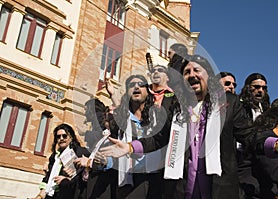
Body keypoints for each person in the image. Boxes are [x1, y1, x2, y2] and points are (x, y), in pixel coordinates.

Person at [100, 54, 254, 199]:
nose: (192, 75)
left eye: (197, 70)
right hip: (181, 189)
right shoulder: (175, 106)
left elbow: (251, 135)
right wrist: (130, 147)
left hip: (219, 189)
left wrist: (274, 144)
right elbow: (158, 138)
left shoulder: (229, 103)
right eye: (187, 72)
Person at [29, 123, 90, 199]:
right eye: (58, 137)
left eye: (64, 136)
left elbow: (87, 175)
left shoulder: (80, 152)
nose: (61, 138)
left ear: (71, 137)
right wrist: (40, 196)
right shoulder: (55, 156)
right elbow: (48, 177)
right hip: (51, 194)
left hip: (68, 194)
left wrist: (68, 179)